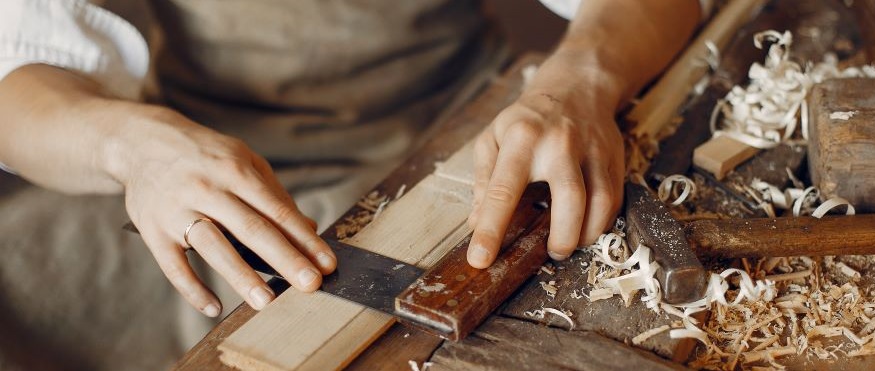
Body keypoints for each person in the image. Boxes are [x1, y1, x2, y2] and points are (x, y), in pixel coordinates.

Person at [0, 0, 704, 368]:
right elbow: (14, 81)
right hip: (189, 156)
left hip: (444, 133)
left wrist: (580, 77)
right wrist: (130, 144)